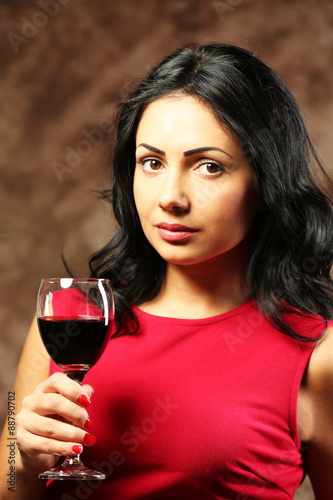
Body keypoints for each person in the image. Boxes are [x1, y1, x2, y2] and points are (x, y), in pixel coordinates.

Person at [1, 43, 333, 500]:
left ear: (264, 183)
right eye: (151, 163)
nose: (170, 197)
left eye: (209, 167)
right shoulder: (67, 320)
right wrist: (24, 457)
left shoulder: (317, 356)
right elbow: (9, 486)